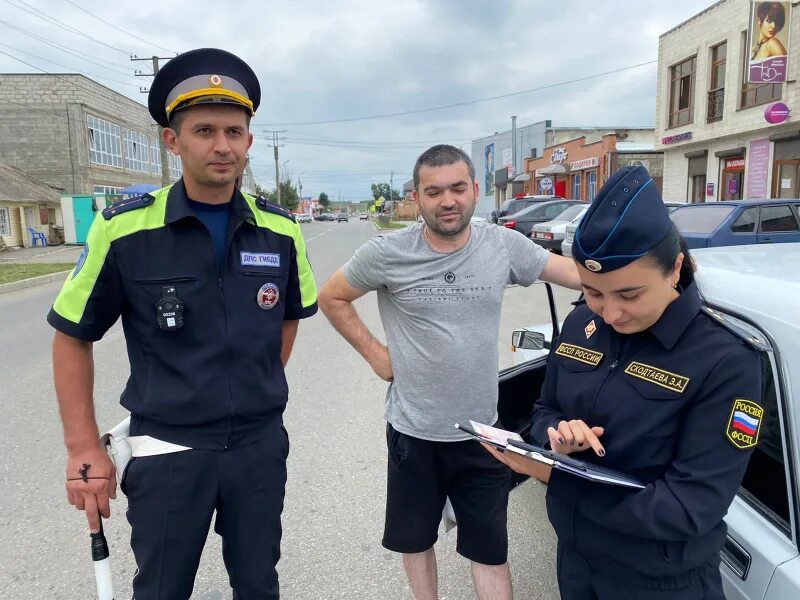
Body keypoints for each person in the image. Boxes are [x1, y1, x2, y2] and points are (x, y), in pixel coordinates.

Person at [48, 48, 317, 599]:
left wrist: (247, 384)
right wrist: (83, 448)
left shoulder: (281, 231)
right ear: (173, 141)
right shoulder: (122, 230)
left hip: (257, 448)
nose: (222, 145)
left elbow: (286, 320)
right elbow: (73, 334)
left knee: (259, 585)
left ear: (248, 140)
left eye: (235, 132)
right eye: (204, 130)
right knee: (162, 590)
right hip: (167, 451)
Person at [484, 166, 764, 599]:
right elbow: (545, 410)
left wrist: (557, 477)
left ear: (675, 268)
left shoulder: (727, 360)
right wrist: (557, 441)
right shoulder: (581, 324)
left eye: (629, 295)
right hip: (577, 560)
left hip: (659, 579)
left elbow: (691, 508)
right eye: (594, 292)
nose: (610, 314)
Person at [318, 144, 582, 600]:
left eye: (458, 188)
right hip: (413, 432)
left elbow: (576, 274)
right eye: (434, 191)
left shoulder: (502, 245)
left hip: (482, 433)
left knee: (490, 550)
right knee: (415, 540)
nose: (448, 200)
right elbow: (331, 297)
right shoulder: (387, 253)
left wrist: (651, 270)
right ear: (417, 198)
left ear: (475, 191)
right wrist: (377, 355)